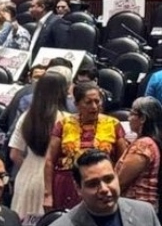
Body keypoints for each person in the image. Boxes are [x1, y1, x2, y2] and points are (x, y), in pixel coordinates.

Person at [44, 82, 127, 211]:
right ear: (77, 104)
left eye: (97, 101)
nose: (94, 106)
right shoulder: (64, 124)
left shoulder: (113, 124)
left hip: (102, 184)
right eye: (88, 102)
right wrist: (48, 194)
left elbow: (123, 161)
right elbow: (49, 160)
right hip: (67, 185)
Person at [8, 72, 68, 226]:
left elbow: (14, 154)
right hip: (51, 180)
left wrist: (30, 167)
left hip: (25, 177)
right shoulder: (65, 119)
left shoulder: (25, 116)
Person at [118, 97, 161, 206]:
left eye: (132, 114)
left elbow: (120, 181)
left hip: (135, 206)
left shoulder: (143, 145)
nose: (128, 118)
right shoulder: (150, 142)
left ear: (142, 118)